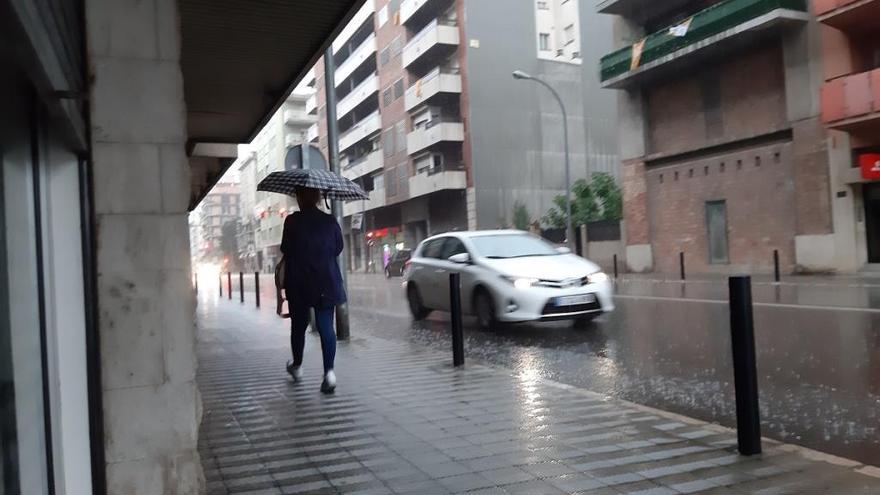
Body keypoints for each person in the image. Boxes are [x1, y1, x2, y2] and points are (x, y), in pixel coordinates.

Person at [280, 186, 345, 394]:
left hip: (299, 281)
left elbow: (286, 249)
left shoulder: (292, 221)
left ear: (299, 198)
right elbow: (338, 248)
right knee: (326, 325)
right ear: (318, 198)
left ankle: (297, 366)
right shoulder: (330, 221)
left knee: (299, 326)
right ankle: (329, 373)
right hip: (326, 279)